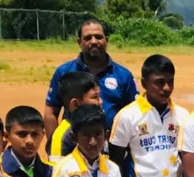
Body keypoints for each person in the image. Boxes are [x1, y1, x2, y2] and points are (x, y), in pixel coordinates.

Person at [44, 19, 137, 153]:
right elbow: (51, 111)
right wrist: (54, 145)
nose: (93, 41)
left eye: (98, 37)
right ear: (79, 42)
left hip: (112, 151)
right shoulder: (64, 72)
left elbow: (133, 115)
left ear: (107, 40)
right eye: (87, 38)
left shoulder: (124, 75)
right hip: (73, 149)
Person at [1, 107, 54, 177]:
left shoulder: (52, 171)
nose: (29, 141)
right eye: (22, 134)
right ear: (7, 136)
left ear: (43, 135)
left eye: (35, 134)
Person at [48, 72, 102, 163]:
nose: (100, 102)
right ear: (75, 104)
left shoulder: (99, 127)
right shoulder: (60, 138)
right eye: (95, 97)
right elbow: (55, 174)